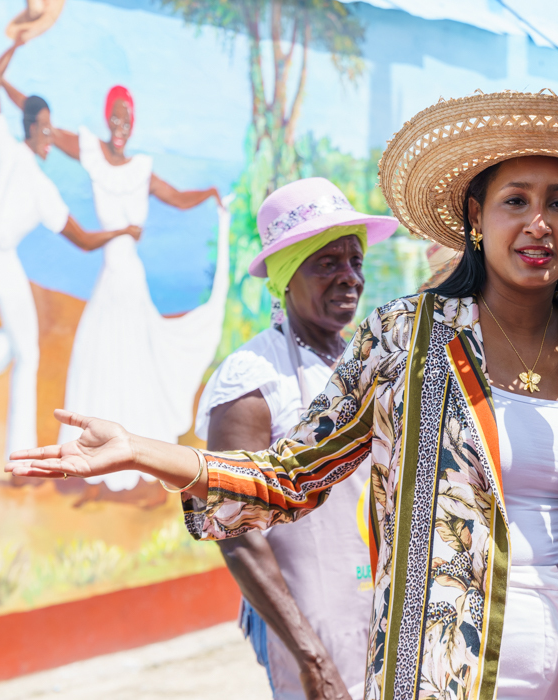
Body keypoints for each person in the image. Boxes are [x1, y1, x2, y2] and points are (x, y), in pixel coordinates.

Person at [7, 90, 558, 700]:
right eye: (517, 200)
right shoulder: (404, 341)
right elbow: (288, 475)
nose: (539, 222)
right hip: (442, 675)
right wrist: (143, 452)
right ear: (478, 217)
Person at [197, 177, 398, 700]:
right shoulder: (253, 380)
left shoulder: (362, 363)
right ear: (286, 276)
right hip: (309, 625)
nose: (349, 277)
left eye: (355, 260)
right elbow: (237, 533)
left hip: (377, 606)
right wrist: (311, 657)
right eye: (327, 263)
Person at [0, 76, 228, 506]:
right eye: (115, 117)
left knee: (134, 365)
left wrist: (210, 193)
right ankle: (93, 457)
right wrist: (3, 86)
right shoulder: (91, 155)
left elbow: (176, 197)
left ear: (132, 124)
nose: (120, 125)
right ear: (108, 119)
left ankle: (140, 464)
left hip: (131, 283)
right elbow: (44, 124)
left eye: (127, 118)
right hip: (109, 281)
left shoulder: (141, 171)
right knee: (96, 359)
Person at [0, 42, 140, 459]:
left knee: (21, 336)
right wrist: (122, 230)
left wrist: (9, 54)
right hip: (2, 265)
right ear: (33, 128)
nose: (50, 139)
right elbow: (83, 241)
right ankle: (19, 455)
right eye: (45, 130)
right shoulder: (41, 188)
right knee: (30, 353)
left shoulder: (6, 148)